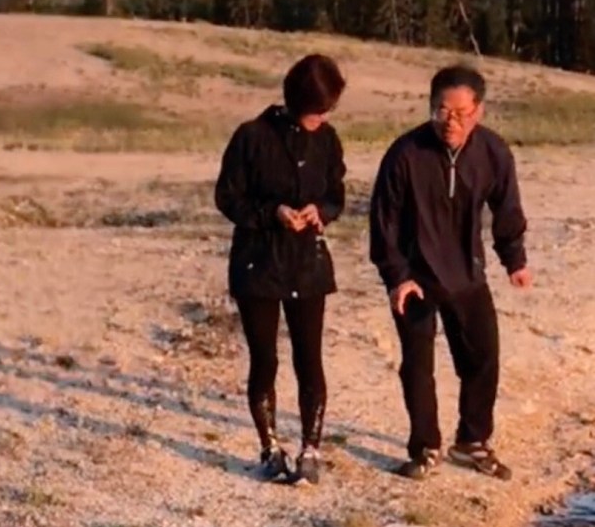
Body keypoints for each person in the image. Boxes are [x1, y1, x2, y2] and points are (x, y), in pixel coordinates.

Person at [369, 63, 533, 481]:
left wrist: (514, 259)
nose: (450, 121)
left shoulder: (494, 152)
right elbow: (383, 223)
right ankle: (425, 447)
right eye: (441, 111)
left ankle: (472, 441)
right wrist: (396, 275)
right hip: (415, 276)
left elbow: (507, 209)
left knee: (484, 356)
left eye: (460, 112)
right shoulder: (404, 154)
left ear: (478, 110)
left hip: (467, 273)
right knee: (417, 365)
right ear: (431, 108)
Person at [215, 53, 348, 486]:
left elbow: (336, 194)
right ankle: (270, 447)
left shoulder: (328, 140)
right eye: (317, 111)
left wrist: (319, 211)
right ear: (295, 102)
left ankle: (311, 449)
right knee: (265, 359)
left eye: (328, 110)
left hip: (308, 264)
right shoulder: (251, 137)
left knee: (310, 359)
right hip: (258, 263)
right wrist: (272, 212)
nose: (322, 119)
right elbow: (228, 198)